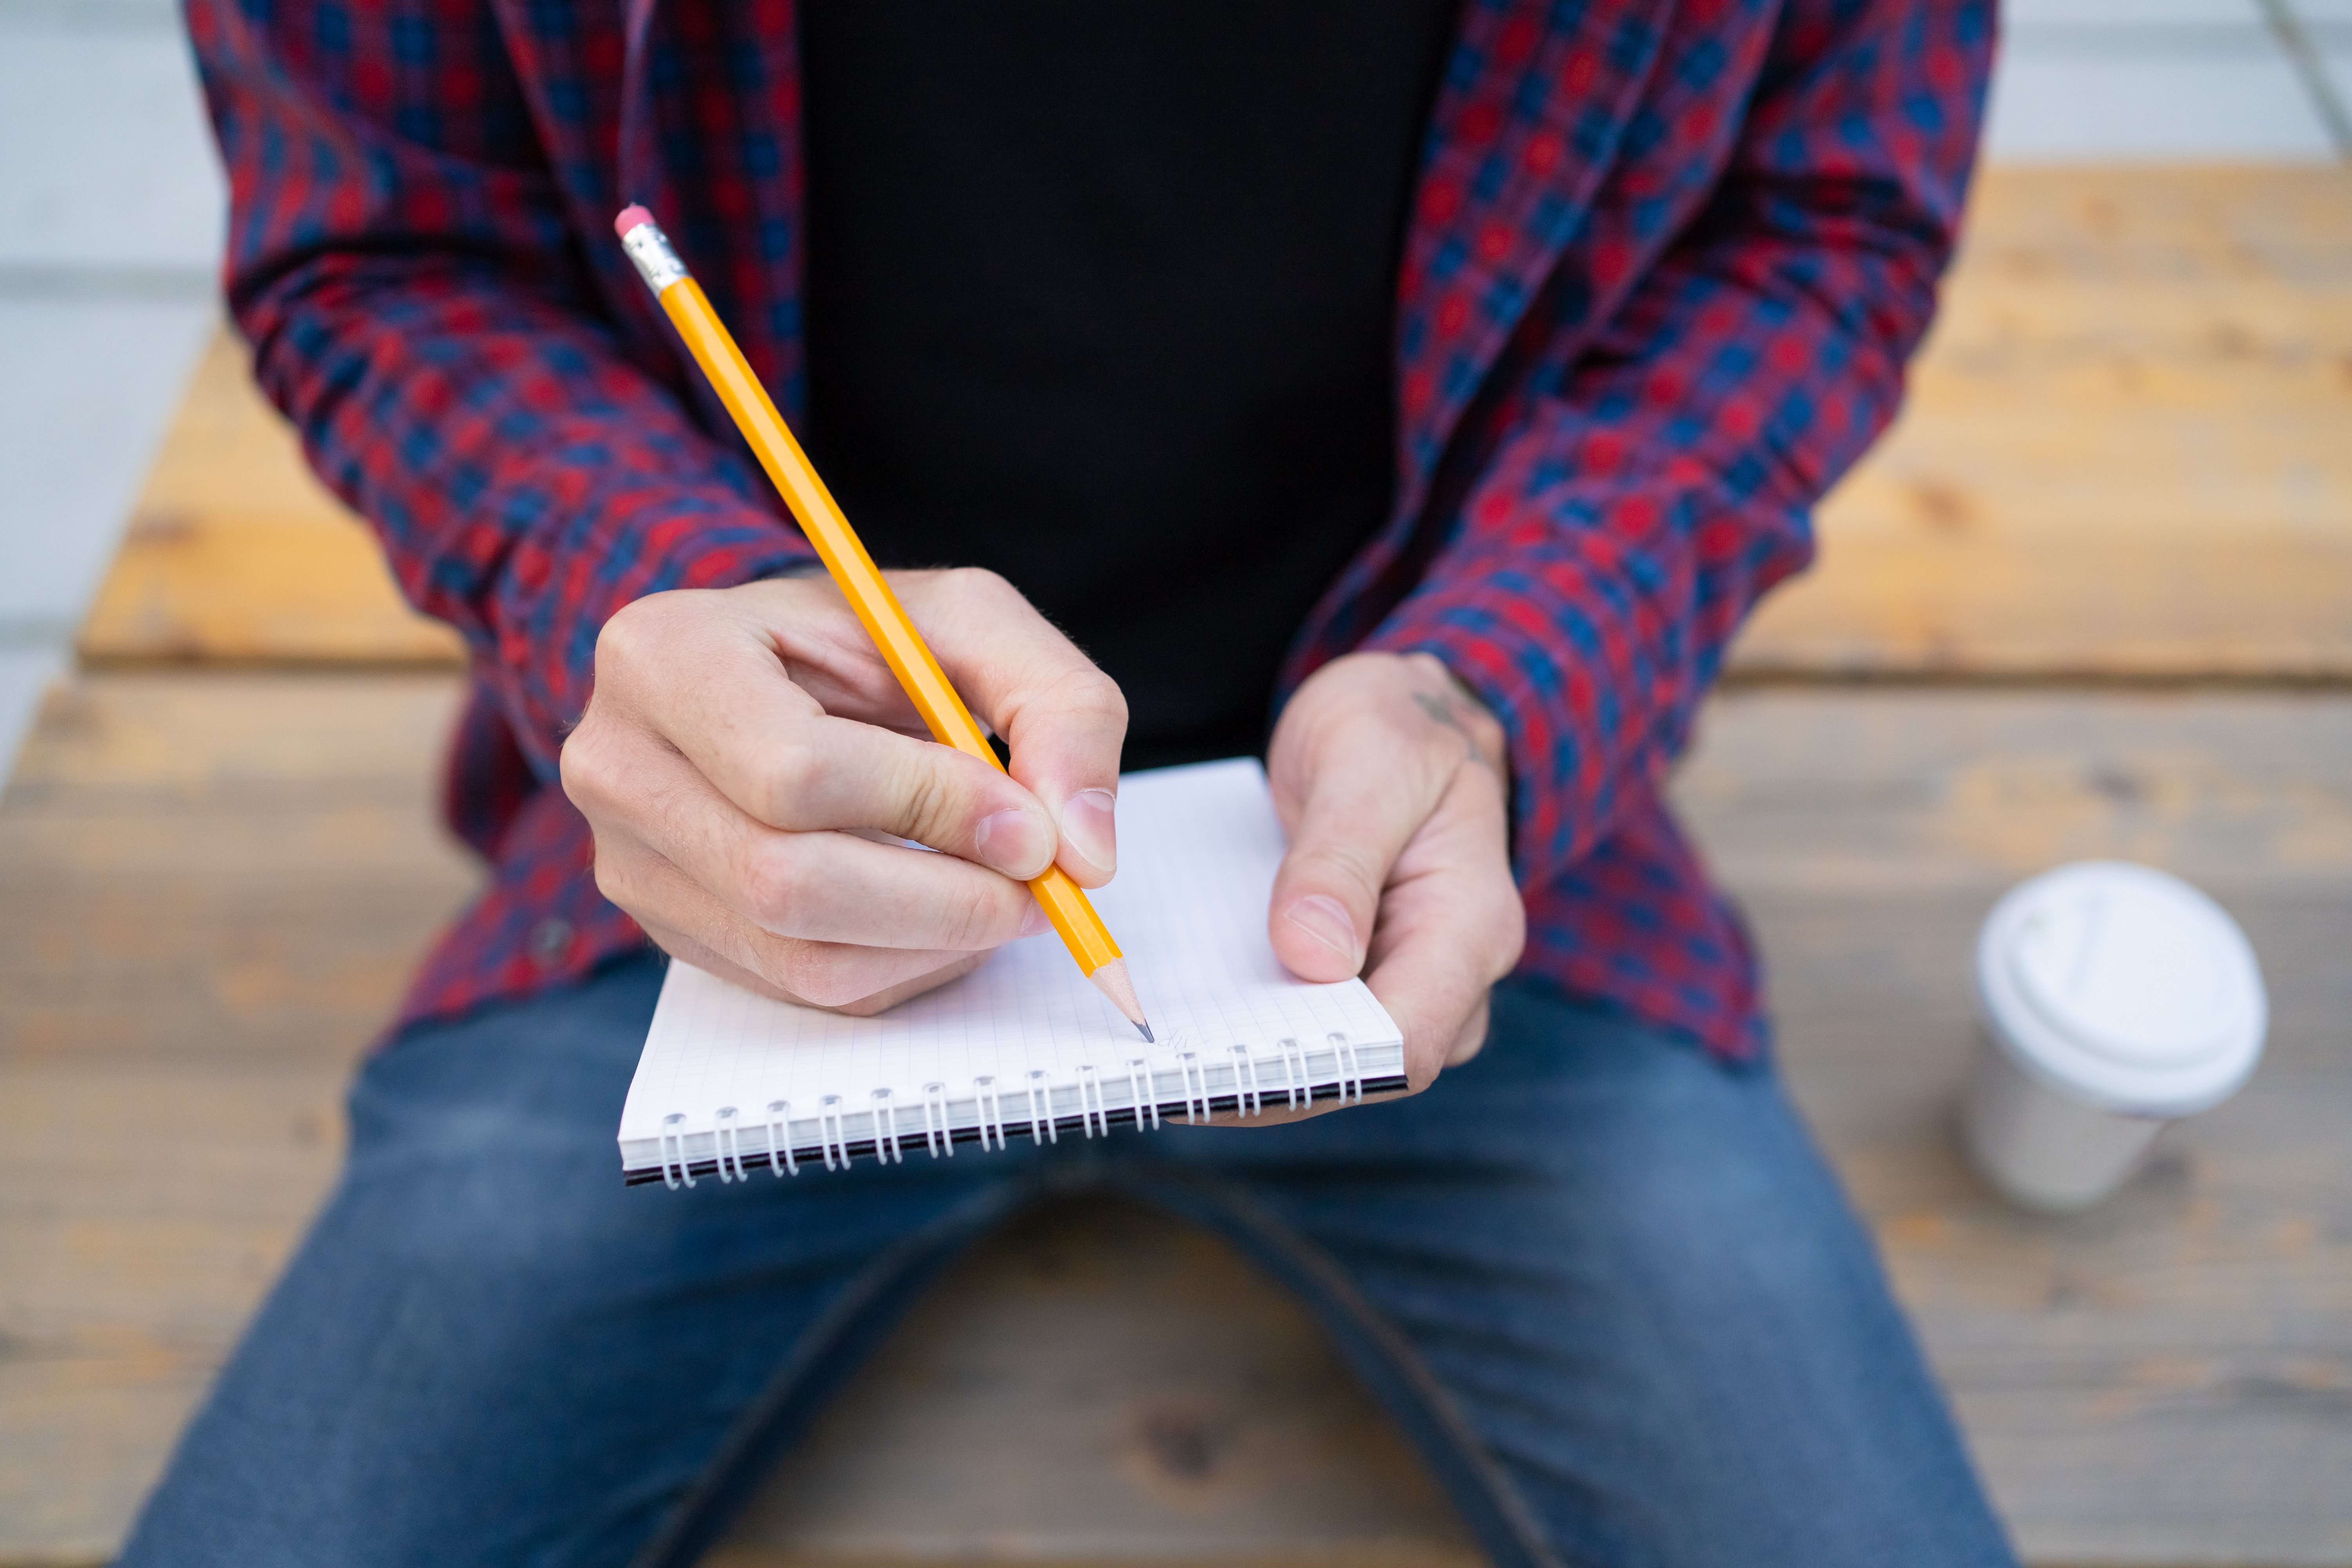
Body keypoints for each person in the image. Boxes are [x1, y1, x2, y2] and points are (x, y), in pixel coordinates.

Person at [126, 2, 2014, 1564]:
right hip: (726, 858)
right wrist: (645, 590)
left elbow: (1818, 232)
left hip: (1457, 856)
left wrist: (1503, 683)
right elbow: (382, 248)